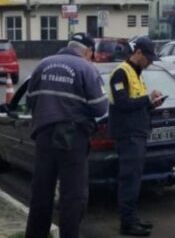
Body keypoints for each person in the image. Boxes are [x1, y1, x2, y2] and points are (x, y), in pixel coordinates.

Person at [25, 33, 108, 238]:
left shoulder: (42, 65)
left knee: (41, 193)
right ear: (88, 52)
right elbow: (100, 108)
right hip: (72, 138)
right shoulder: (86, 69)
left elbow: (30, 100)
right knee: (73, 196)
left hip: (44, 134)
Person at [108, 37, 163, 236]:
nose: (150, 62)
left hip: (138, 134)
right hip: (128, 135)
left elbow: (137, 105)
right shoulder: (121, 73)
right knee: (129, 179)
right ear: (138, 53)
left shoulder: (136, 73)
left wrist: (151, 103)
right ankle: (127, 223)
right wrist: (145, 99)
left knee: (135, 178)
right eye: (148, 57)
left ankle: (132, 218)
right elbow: (122, 105)